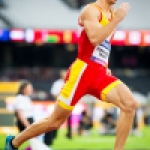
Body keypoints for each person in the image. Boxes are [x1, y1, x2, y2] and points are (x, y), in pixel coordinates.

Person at [5, 0, 138, 150]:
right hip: (82, 73)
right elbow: (94, 38)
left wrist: (104, 65)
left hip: (99, 73)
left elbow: (104, 45)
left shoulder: (112, 13)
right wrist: (117, 20)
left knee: (129, 104)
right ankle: (13, 142)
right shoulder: (91, 10)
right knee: (54, 122)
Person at [14, 81, 34, 150]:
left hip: (29, 121)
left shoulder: (27, 98)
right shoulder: (20, 98)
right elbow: (20, 114)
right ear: (24, 89)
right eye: (30, 88)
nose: (31, 89)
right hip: (25, 122)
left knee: (34, 141)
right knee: (34, 140)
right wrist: (28, 126)